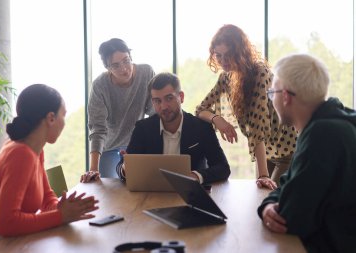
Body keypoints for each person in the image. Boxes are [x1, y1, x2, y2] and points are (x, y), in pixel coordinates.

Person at [258, 54, 356, 253]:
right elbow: (288, 182)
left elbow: (290, 219)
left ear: (285, 96)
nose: (271, 99)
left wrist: (270, 207)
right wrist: (268, 205)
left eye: (272, 93)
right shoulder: (333, 123)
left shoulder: (322, 135)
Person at [0, 84, 99, 238]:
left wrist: (60, 208)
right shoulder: (21, 154)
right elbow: (6, 224)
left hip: (11, 237)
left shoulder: (35, 149)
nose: (64, 123)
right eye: (63, 115)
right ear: (51, 118)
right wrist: (61, 216)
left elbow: (47, 199)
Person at [195, 24, 297, 189]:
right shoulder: (226, 78)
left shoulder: (260, 72)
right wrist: (217, 119)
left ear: (240, 52)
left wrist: (263, 175)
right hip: (266, 152)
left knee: (272, 198)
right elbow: (201, 109)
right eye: (218, 56)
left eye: (228, 55)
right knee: (262, 199)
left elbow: (257, 126)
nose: (223, 61)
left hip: (288, 149)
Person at [117, 72, 230, 184]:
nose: (164, 106)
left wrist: (195, 176)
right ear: (153, 102)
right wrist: (124, 168)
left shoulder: (201, 128)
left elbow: (223, 168)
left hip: (191, 196)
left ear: (181, 97)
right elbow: (123, 166)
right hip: (152, 195)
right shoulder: (143, 129)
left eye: (169, 98)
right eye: (157, 101)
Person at [82, 38, 155, 182]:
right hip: (109, 147)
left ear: (130, 56)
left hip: (137, 143)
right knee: (106, 188)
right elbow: (97, 129)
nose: (124, 69)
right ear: (107, 68)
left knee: (139, 186)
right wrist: (93, 169)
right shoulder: (100, 86)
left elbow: (154, 112)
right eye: (115, 66)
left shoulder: (146, 73)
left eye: (126, 60)